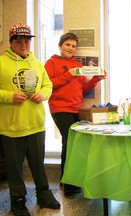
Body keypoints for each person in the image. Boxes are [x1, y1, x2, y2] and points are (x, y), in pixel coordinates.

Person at [0, 23, 60, 216]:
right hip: (12, 127)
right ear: (11, 42)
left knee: (38, 164)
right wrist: (9, 96)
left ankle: (44, 194)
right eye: (19, 40)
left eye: (27, 40)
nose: (23, 44)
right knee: (15, 168)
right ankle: (18, 201)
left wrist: (42, 94)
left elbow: (48, 86)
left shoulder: (37, 64)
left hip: (36, 125)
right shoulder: (1, 63)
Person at [44, 32, 107, 199]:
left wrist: (95, 79)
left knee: (72, 144)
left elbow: (82, 89)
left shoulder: (77, 65)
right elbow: (48, 85)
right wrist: (68, 74)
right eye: (67, 45)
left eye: (73, 46)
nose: (70, 48)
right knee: (70, 142)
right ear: (60, 45)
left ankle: (68, 181)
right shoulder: (51, 63)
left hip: (76, 109)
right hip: (59, 108)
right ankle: (68, 183)